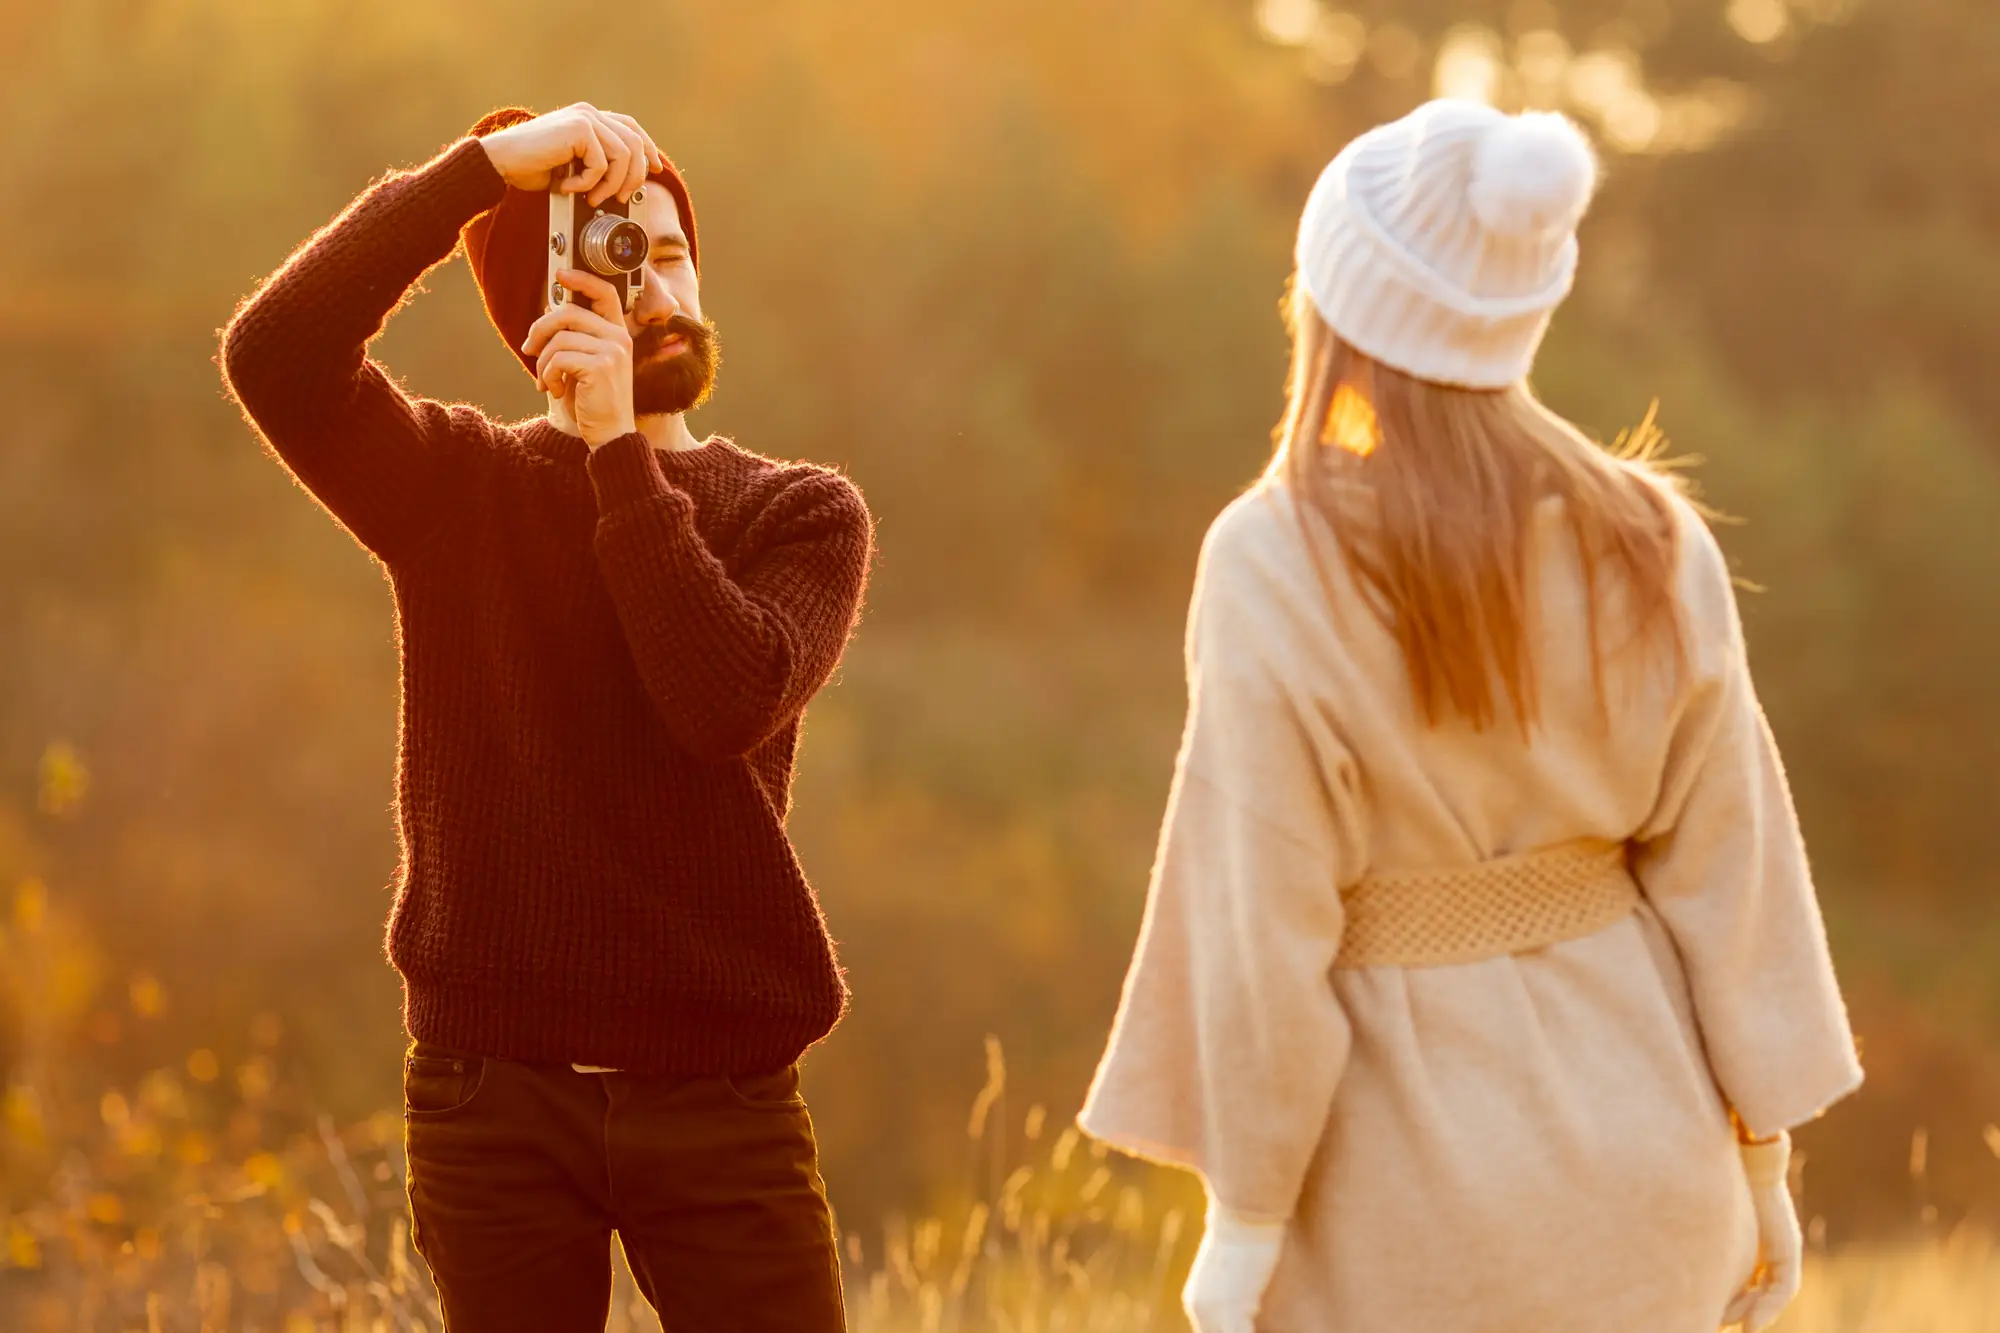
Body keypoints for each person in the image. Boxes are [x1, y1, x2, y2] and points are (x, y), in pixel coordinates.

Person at [1077, 100, 1862, 1333]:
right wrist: (1760, 1165)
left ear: (1332, 303)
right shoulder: (1652, 536)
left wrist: (1242, 1226)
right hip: (1656, 1177)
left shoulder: (1274, 556)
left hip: (1409, 1213)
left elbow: (1260, 925)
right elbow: (1733, 870)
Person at [220, 102, 871, 1331]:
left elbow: (719, 697)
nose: (655, 282)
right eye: (613, 253)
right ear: (541, 316)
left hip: (720, 1098)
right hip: (494, 1099)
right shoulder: (455, 489)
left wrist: (619, 456)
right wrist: (476, 175)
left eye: (670, 250)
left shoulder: (799, 514)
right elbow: (274, 356)